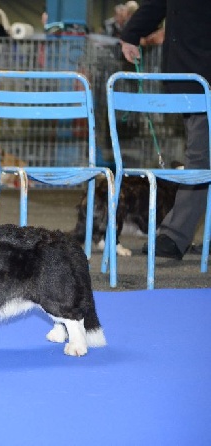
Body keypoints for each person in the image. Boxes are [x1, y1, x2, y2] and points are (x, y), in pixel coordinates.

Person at [120, 0, 211, 260]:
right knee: (201, 155)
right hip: (191, 74)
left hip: (199, 73)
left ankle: (175, 236)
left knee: (200, 157)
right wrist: (131, 33)